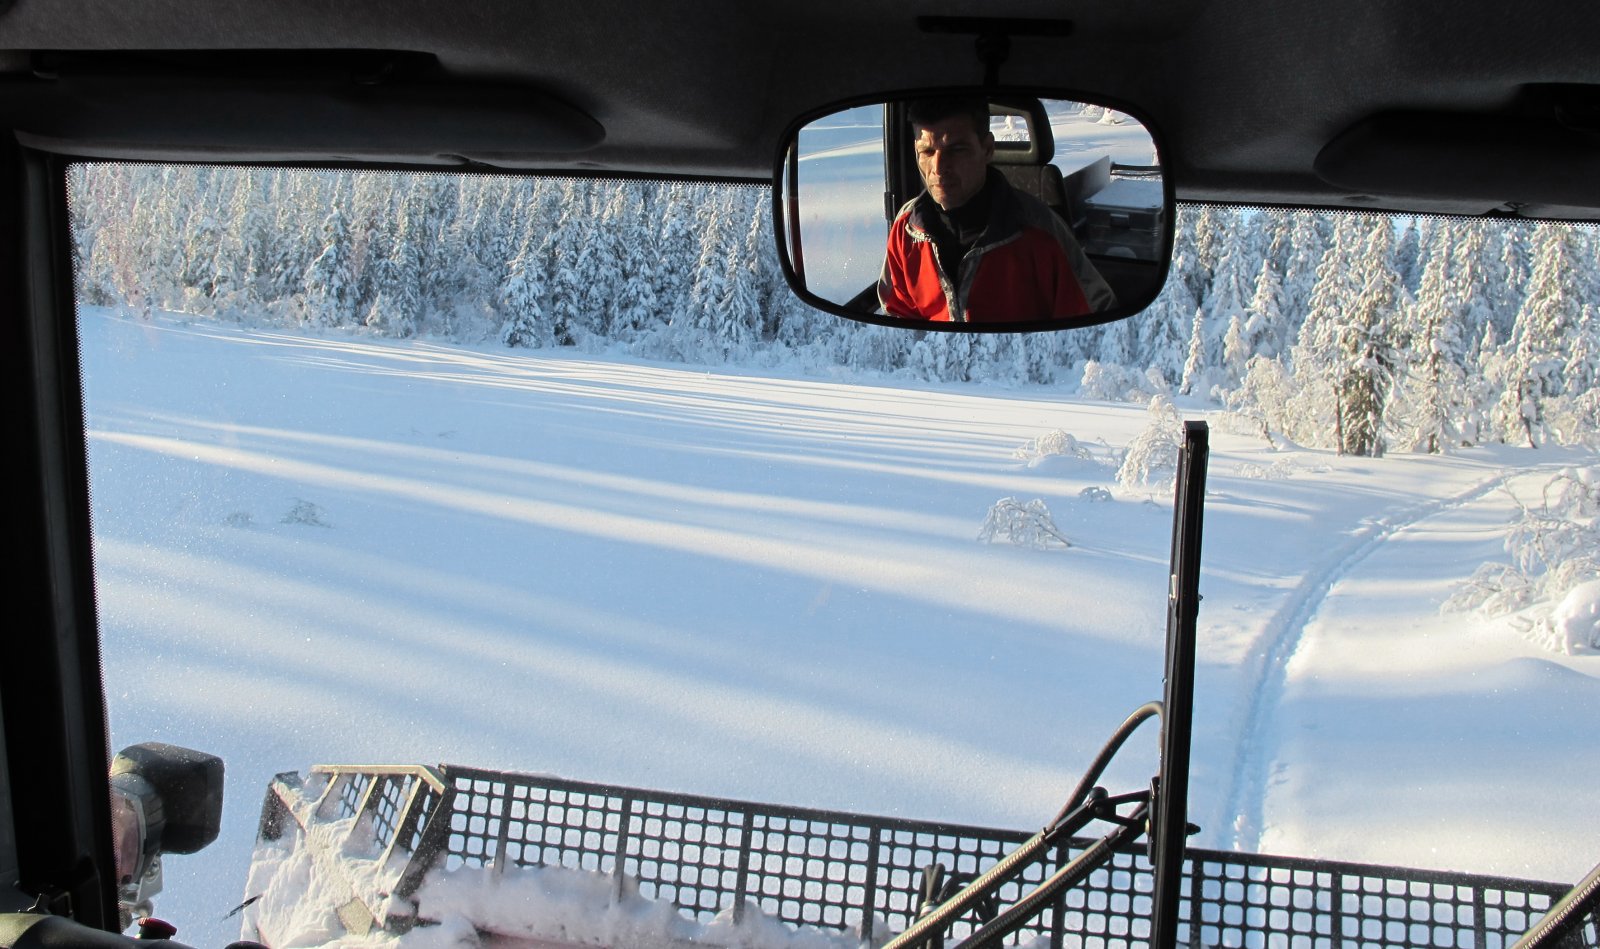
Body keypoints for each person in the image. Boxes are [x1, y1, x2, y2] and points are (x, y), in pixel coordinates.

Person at [877, 97, 1116, 323]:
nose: (938, 168)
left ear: (988, 149)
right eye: (927, 152)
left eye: (956, 149)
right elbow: (897, 316)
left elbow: (1093, 320)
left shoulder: (1041, 232)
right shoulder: (907, 230)